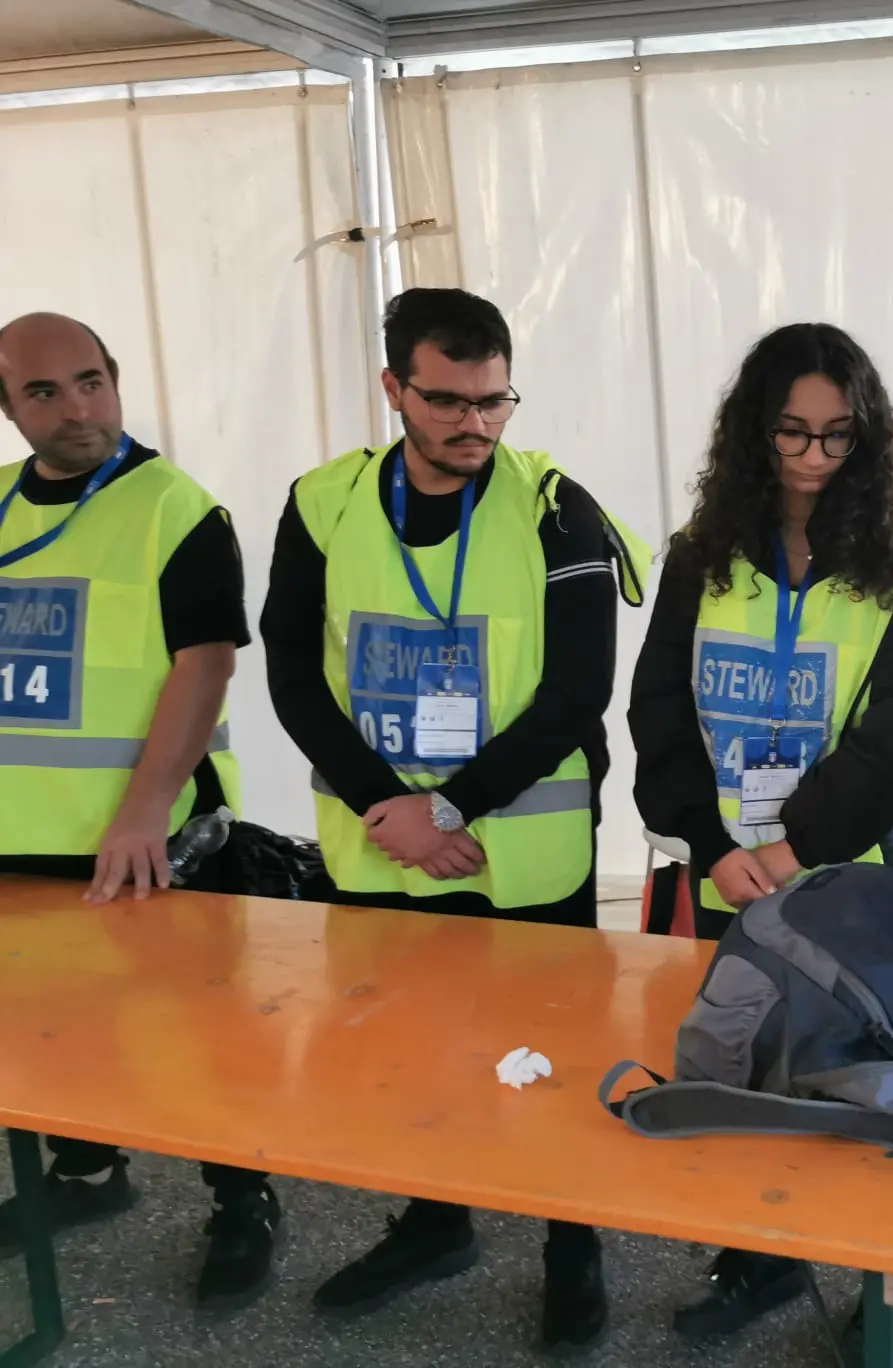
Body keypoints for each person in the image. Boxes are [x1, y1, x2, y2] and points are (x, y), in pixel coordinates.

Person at [259, 287, 649, 1351]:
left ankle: (573, 1248)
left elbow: (577, 691)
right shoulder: (323, 503)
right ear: (394, 388)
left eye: (494, 401)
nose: (475, 425)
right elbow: (294, 671)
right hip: (382, 848)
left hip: (521, 851)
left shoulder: (556, 508)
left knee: (551, 1056)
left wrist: (444, 808)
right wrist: (388, 809)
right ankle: (435, 1225)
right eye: (447, 401)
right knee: (411, 1051)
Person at [628, 321, 893, 1340]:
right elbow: (658, 706)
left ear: (868, 438)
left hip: (855, 856)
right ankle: (757, 1262)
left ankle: (889, 1289)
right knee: (743, 1067)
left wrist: (796, 848)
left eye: (836, 435)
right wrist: (712, 845)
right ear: (754, 431)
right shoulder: (700, 557)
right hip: (729, 861)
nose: (814, 455)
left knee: (873, 1078)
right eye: (791, 432)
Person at [0, 312, 280, 1309]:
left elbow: (204, 665)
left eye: (91, 381)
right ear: (9, 406)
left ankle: (242, 1201)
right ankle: (86, 1174)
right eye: (43, 392)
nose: (76, 408)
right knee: (46, 1026)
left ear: (115, 378)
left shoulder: (177, 509)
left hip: (152, 837)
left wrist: (146, 808)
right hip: (22, 838)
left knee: (204, 1035)